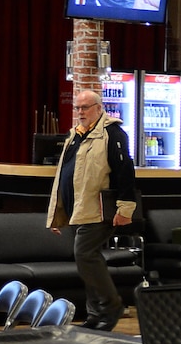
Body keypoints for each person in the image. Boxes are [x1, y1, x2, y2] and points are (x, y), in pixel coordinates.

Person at [47, 88, 138, 330]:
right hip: (80, 209)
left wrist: (125, 208)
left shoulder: (112, 133)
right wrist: (57, 215)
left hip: (100, 210)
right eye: (77, 108)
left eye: (85, 107)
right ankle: (96, 315)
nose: (80, 112)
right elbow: (64, 177)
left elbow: (125, 171)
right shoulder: (75, 135)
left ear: (99, 108)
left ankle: (111, 305)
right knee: (87, 259)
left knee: (85, 254)